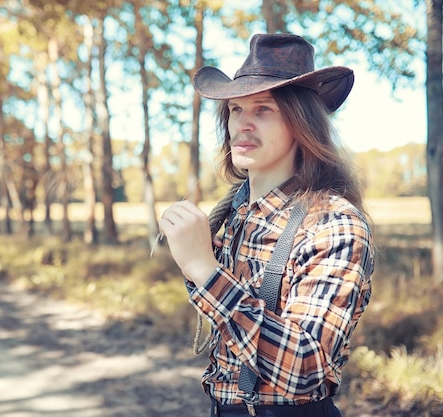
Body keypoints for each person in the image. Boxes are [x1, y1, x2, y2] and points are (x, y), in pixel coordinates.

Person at [158, 33, 374, 417]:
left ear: (301, 123)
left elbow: (305, 368)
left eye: (264, 109)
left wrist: (204, 271)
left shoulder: (334, 223)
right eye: (236, 110)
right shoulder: (235, 216)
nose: (242, 124)